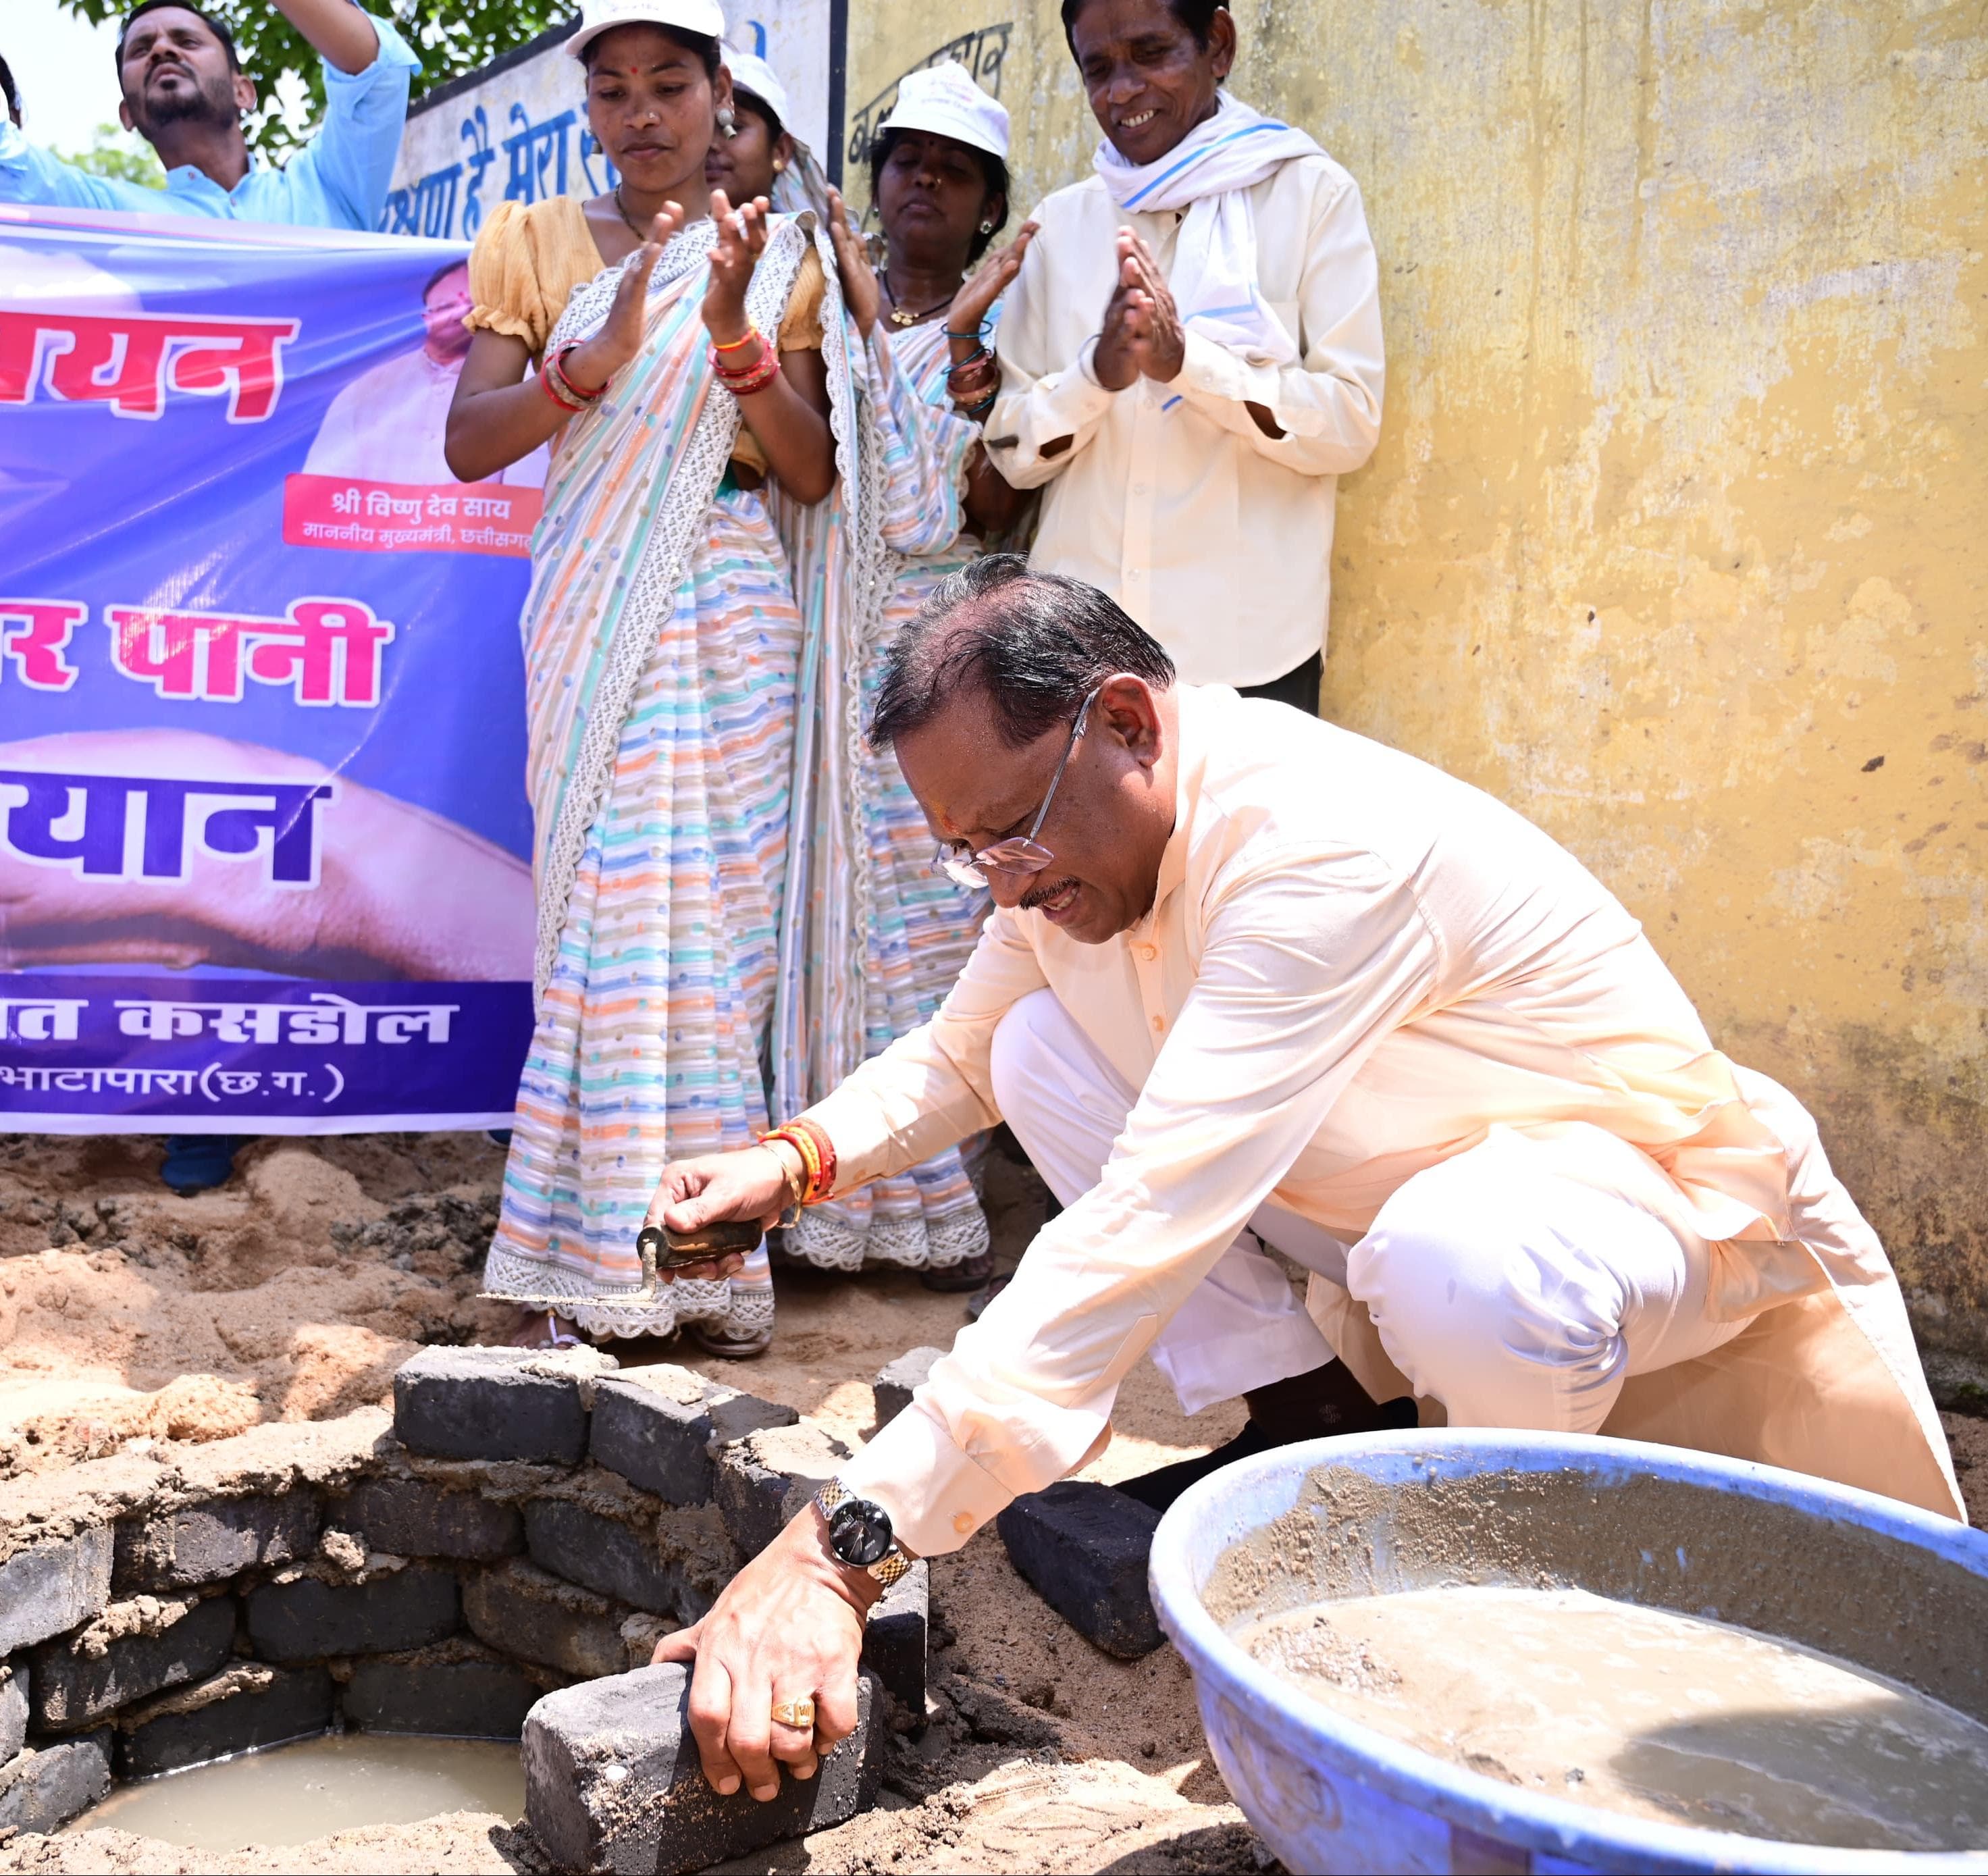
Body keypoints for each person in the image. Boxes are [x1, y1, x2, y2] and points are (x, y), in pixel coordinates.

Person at [637, 557, 1961, 1801]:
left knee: (1462, 1263)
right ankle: (1309, 1412)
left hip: (1635, 1226)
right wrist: (789, 1163)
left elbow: (1149, 1211)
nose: (1006, 884)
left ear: (1124, 722)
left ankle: (1495, 1592)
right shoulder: (1070, 866)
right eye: (968, 853)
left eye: (1013, 836)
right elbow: (968, 1055)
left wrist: (840, 1549)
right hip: (1378, 1229)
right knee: (1047, 1043)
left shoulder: (1317, 850)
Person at [445, 0, 845, 1359]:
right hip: (590, 598)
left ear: (720, 96)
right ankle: (581, 1259)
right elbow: (467, 445)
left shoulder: (775, 252)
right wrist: (588, 366)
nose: (641, 114)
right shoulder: (535, 243)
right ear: (588, 111)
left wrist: (732, 329)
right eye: (610, 89)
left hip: (728, 607)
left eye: (668, 83)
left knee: (713, 948)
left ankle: (714, 1269)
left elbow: (806, 471)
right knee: (609, 940)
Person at [769, 61, 1036, 1289]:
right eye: (906, 156)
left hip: (939, 666)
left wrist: (960, 339)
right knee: (821, 919)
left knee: (935, 919)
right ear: (875, 178)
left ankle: (923, 1209)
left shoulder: (1008, 335)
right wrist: (879, 331)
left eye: (954, 166)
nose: (923, 178)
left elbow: (970, 512)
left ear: (986, 202)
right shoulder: (813, 297)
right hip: (824, 641)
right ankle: (818, 1205)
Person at [985, 0, 1384, 716]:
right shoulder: (1063, 227)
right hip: (1079, 652)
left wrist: (1188, 364)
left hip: (1246, 655)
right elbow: (1012, 448)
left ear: (1218, 45)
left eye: (1151, 53)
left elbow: (1350, 424)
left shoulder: (1309, 197)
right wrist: (1094, 378)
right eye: (1098, 68)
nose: (1123, 91)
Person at [0, 0, 415, 230]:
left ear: (243, 90)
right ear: (128, 116)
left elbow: (377, 72)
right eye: (142, 50)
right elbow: (13, 170)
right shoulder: (108, 216)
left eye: (186, 41)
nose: (163, 49)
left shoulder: (327, 187)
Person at [304, 260, 546, 488]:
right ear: (427, 318)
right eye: (447, 307)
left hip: (486, 529)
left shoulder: (525, 387)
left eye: (473, 306)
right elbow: (322, 491)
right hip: (371, 529)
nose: (462, 313)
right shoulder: (369, 388)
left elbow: (530, 494)